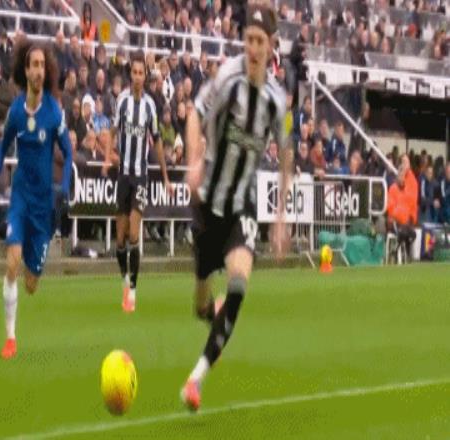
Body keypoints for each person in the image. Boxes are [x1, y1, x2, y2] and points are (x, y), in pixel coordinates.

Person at [181, 4, 292, 411]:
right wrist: (194, 159)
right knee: (201, 302)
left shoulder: (278, 102)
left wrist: (279, 216)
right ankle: (214, 318)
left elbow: (287, 153)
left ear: (271, 45)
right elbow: (194, 113)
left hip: (242, 204)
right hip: (209, 201)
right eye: (249, 40)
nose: (254, 48)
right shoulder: (227, 78)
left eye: (261, 41)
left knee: (239, 285)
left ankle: (196, 379)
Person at [0, 41, 72, 360]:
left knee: (31, 284)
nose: (38, 71)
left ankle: (31, 267)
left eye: (42, 65)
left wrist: (65, 187)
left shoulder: (54, 112)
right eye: (33, 65)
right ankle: (10, 338)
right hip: (20, 197)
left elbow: (69, 152)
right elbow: (2, 146)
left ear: (46, 71)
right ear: (25, 69)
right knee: (11, 262)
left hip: (43, 205)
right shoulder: (16, 112)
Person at [113, 50, 172, 313]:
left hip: (140, 176)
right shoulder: (122, 102)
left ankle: (133, 291)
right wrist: (109, 155)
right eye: (134, 73)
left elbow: (156, 140)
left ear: (145, 77)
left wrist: (166, 177)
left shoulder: (150, 106)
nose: (138, 77)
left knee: (135, 233)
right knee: (120, 239)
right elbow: (113, 130)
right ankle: (125, 280)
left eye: (141, 73)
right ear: (130, 75)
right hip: (123, 175)